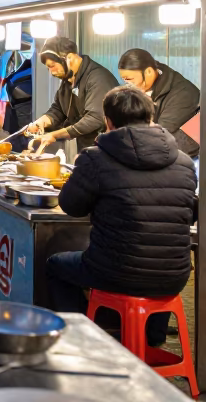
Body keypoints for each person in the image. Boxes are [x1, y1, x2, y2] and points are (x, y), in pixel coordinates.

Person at [46, 87, 196, 347]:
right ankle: (152, 337)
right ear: (151, 118)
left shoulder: (95, 158)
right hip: (176, 274)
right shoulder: (183, 162)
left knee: (55, 265)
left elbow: (71, 206)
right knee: (154, 265)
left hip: (114, 271)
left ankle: (84, 338)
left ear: (108, 121)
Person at [27, 37, 120, 153]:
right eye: (48, 68)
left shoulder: (98, 78)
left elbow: (95, 118)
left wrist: (54, 135)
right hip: (87, 150)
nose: (51, 72)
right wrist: (42, 121)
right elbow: (58, 110)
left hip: (107, 150)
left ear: (69, 58)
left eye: (52, 66)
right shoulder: (68, 80)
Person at [117, 48, 200, 158]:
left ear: (149, 72)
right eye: (124, 80)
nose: (128, 84)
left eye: (130, 79)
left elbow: (161, 133)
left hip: (181, 156)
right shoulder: (142, 86)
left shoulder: (183, 93)